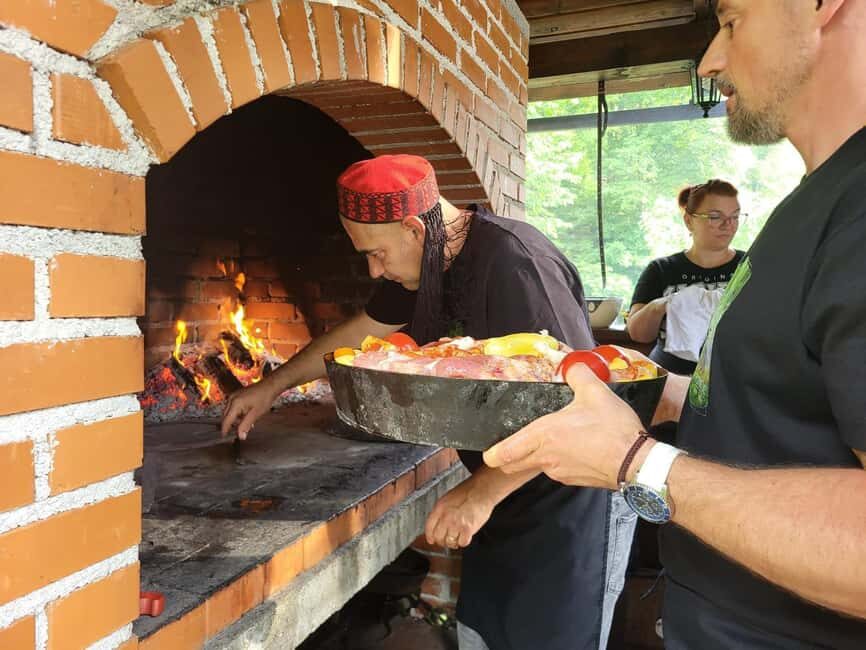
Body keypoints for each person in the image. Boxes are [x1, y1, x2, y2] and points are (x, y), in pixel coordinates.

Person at [483, 0, 866, 648]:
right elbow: (797, 407)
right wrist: (668, 395)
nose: (710, 60)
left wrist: (636, 462)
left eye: (733, 20)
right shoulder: (813, 204)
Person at [222, 154, 635, 649]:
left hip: (569, 503)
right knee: (485, 634)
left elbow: (581, 406)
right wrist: (272, 386)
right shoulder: (427, 264)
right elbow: (364, 331)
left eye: (377, 254)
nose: (374, 270)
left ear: (415, 229)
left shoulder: (518, 264)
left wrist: (479, 494)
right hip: (501, 494)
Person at [628, 181, 746, 374]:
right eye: (715, 217)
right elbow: (638, 334)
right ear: (689, 221)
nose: (728, 225)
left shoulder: (750, 267)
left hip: (732, 376)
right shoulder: (661, 269)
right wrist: (663, 305)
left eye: (735, 216)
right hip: (670, 376)